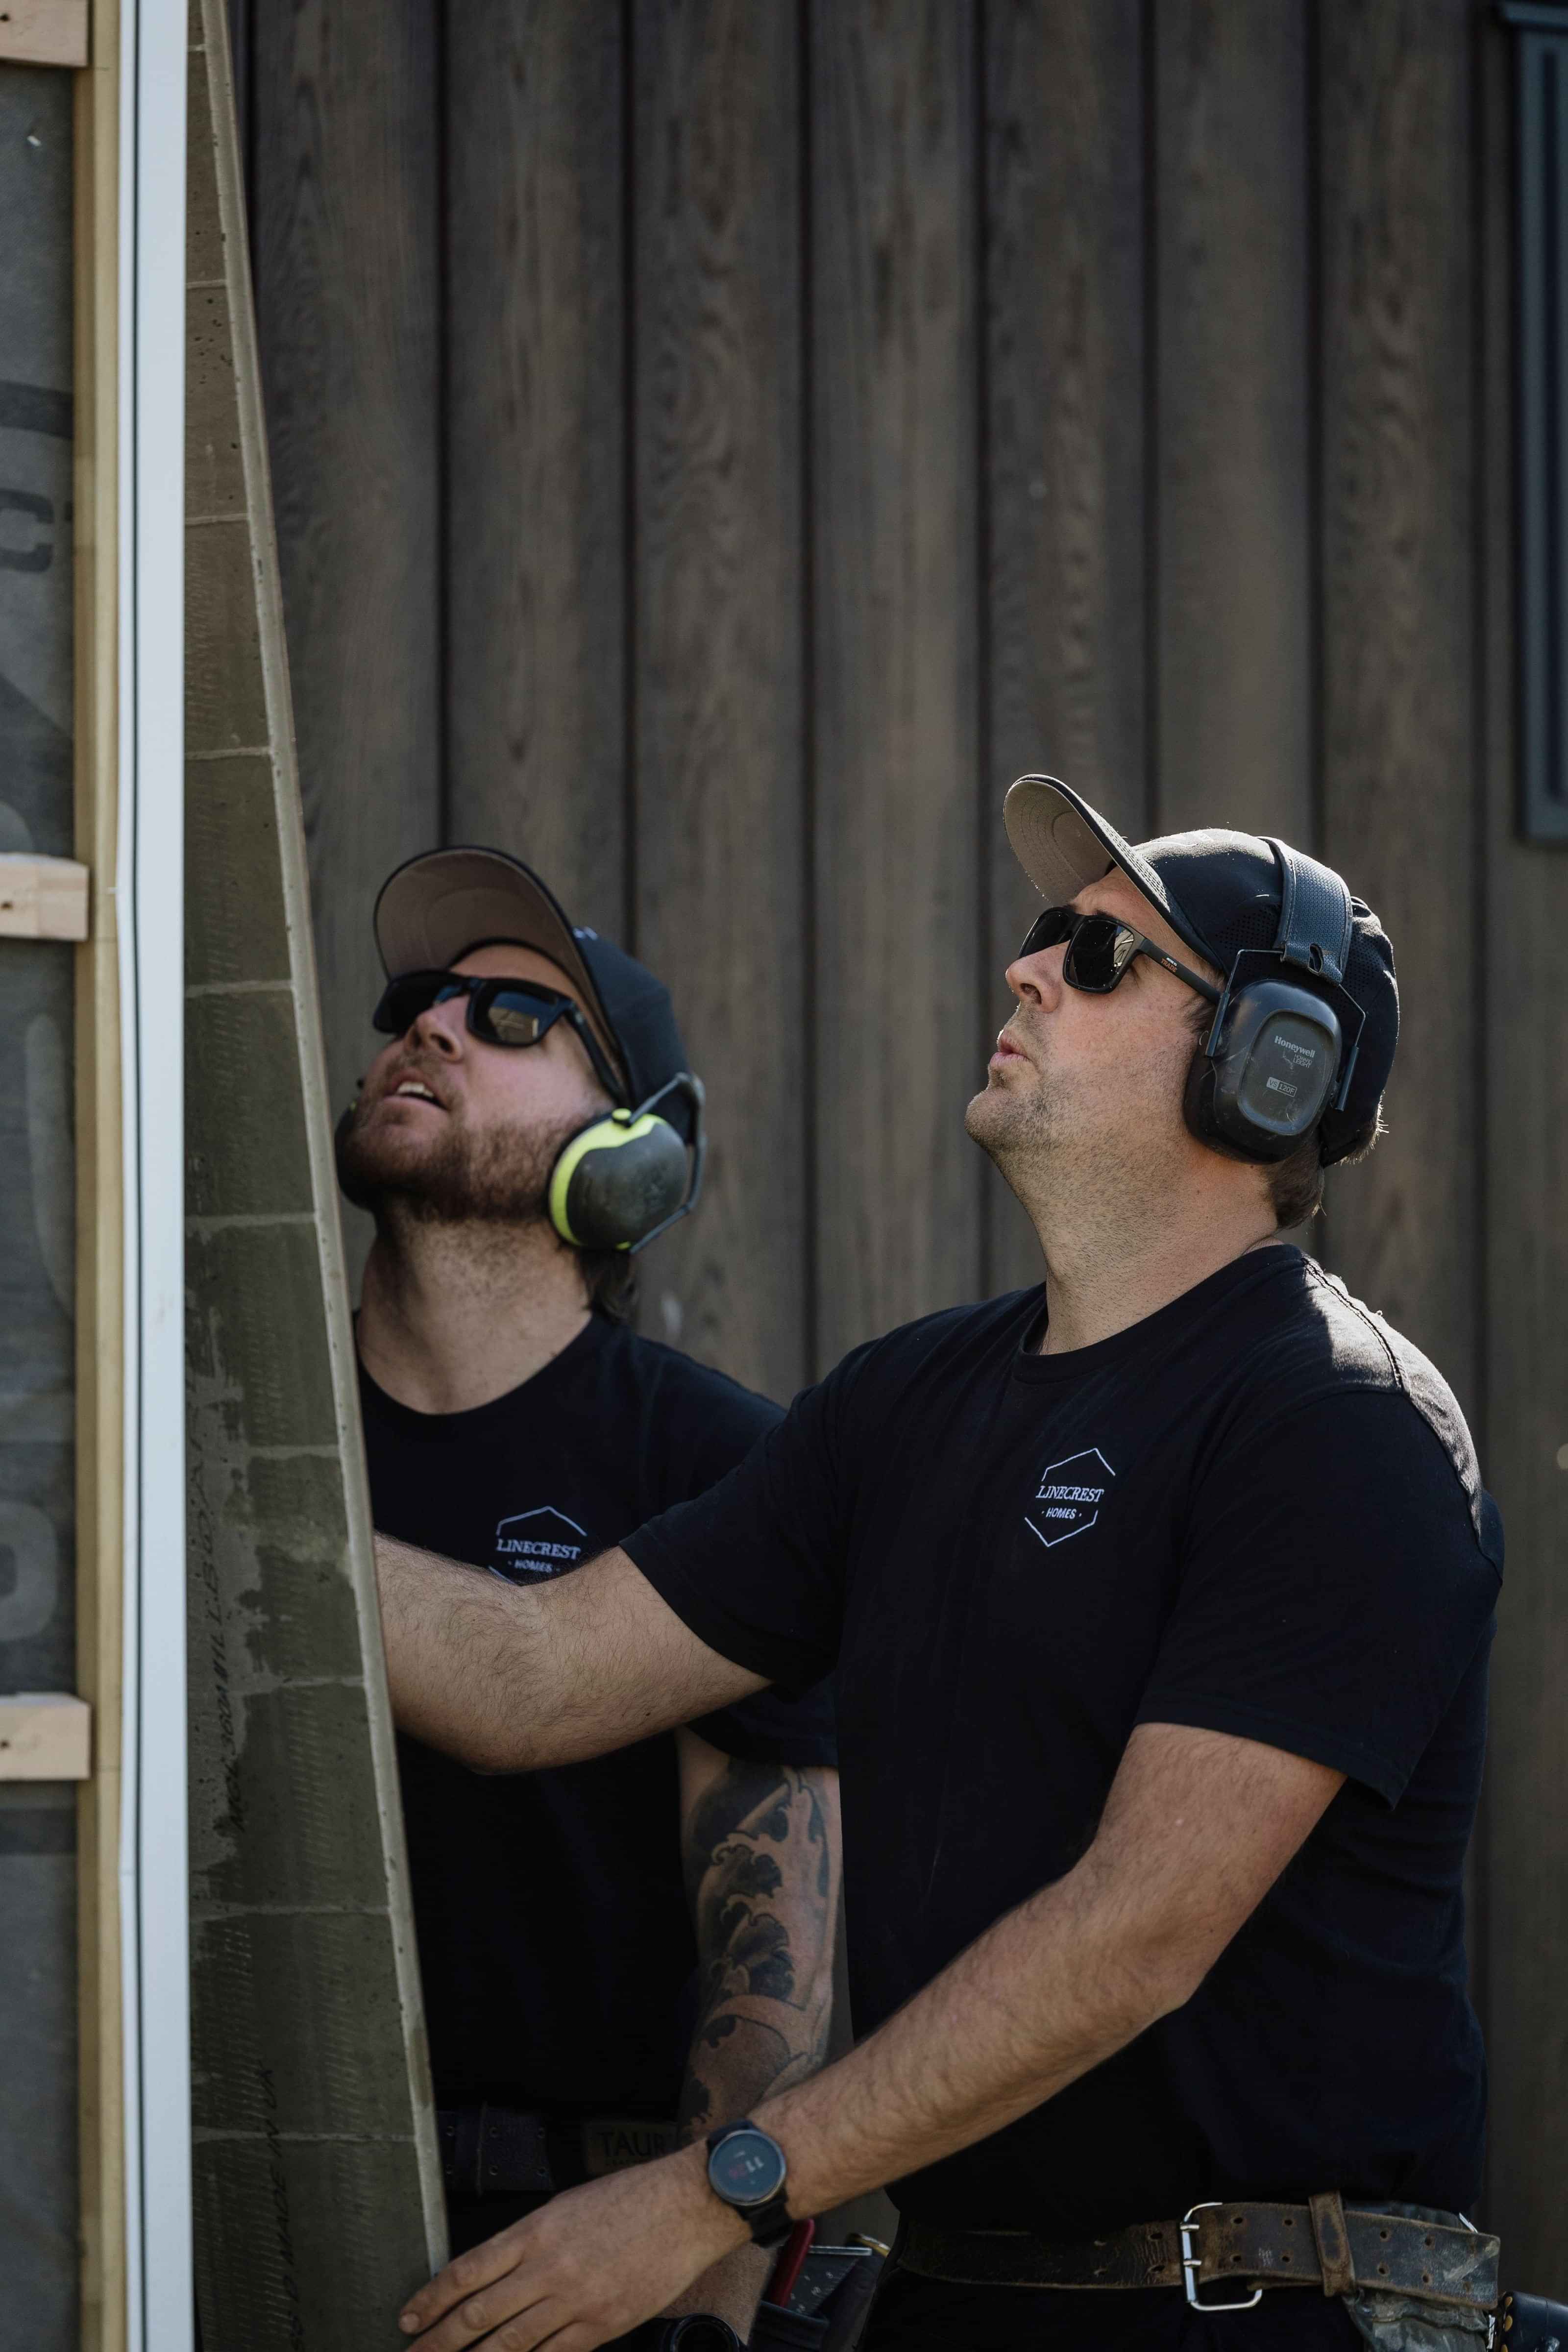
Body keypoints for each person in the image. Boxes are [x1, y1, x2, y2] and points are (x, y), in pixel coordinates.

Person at [376, 782, 1503, 2352]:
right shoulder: (905, 1403)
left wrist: (712, 2192)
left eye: (1101, 958)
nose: (1027, 971)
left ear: (1273, 1065)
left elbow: (1132, 1939)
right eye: (1042, 938)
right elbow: (537, 1673)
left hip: (1253, 2311)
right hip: (957, 2292)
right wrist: (183, 1504)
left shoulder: (1336, 1421)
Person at [336, 847, 841, 2350]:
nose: (431, 1024)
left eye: (509, 1020)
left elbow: (772, 1974)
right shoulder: (223, 1420)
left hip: (574, 2259)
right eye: (422, 1002)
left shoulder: (715, 1462)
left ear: (634, 1158)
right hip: (232, 2203)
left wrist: (705, 2310)